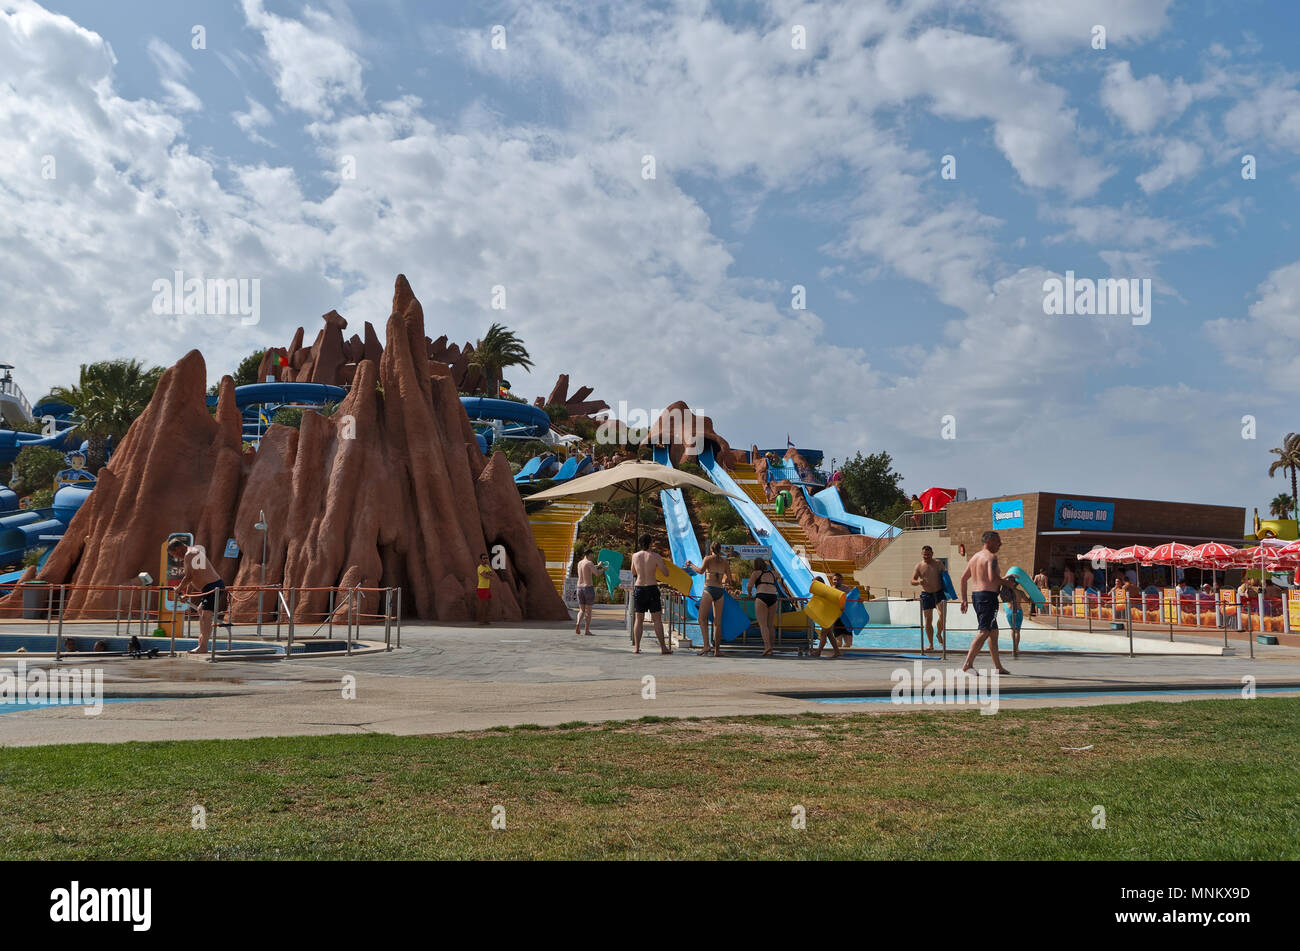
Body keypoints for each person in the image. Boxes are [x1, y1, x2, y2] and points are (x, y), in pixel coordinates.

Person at [959, 531, 1009, 674]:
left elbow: (963, 579)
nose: (1000, 544)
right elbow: (992, 578)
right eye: (998, 541)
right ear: (989, 541)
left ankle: (998, 667)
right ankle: (968, 664)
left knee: (993, 632)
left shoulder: (975, 557)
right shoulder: (991, 557)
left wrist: (964, 599)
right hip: (988, 598)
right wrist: (1007, 583)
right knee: (984, 631)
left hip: (977, 597)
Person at [169, 538, 225, 654]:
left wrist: (178, 589)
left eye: (174, 554)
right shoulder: (192, 553)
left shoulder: (190, 554)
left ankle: (203, 647)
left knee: (206, 616)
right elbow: (194, 576)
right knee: (201, 611)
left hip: (213, 586)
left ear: (178, 548)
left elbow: (189, 577)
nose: (176, 558)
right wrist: (187, 594)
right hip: (210, 586)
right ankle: (202, 644)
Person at [685, 542, 733, 656]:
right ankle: (717, 650)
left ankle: (706, 645)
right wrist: (724, 580)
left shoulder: (708, 558)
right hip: (720, 591)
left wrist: (691, 564)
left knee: (701, 619)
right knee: (718, 623)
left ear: (711, 549)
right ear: (720, 549)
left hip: (709, 590)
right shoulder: (725, 562)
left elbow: (701, 571)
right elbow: (730, 579)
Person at [630, 534, 672, 654]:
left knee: (638, 619)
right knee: (657, 620)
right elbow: (666, 573)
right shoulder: (655, 556)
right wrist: (662, 566)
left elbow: (633, 571)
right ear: (650, 543)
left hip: (639, 587)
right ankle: (663, 648)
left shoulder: (635, 556)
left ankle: (637, 647)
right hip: (652, 588)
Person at [910, 545, 946, 651]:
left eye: (928, 554)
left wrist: (949, 591)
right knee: (928, 620)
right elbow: (912, 581)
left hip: (939, 593)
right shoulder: (919, 566)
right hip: (926, 595)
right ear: (922, 554)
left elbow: (945, 577)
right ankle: (931, 644)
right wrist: (919, 582)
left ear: (932, 554)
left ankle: (939, 634)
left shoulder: (939, 563)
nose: (926, 556)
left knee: (942, 615)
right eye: (925, 554)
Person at [748, 558, 785, 657]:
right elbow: (780, 575)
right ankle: (771, 649)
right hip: (773, 597)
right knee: (770, 625)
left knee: (763, 625)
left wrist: (748, 594)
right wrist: (770, 565)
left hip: (761, 596)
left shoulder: (756, 573)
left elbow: (749, 585)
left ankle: (767, 646)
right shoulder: (772, 573)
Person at [814, 572, 853, 658]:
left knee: (824, 633)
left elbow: (850, 598)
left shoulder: (828, 591)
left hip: (833, 615)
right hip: (829, 616)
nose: (835, 581)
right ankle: (837, 651)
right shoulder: (827, 590)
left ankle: (818, 651)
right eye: (834, 580)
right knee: (829, 634)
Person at [574, 549, 605, 636]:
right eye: (592, 556)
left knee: (581, 610)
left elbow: (587, 568)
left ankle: (578, 624)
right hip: (588, 588)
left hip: (579, 588)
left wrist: (598, 565)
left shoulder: (580, 563)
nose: (592, 557)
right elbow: (597, 573)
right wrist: (603, 569)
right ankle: (587, 630)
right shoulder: (589, 563)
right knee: (588, 611)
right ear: (589, 554)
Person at [1001, 583, 1023, 658]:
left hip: (1010, 611)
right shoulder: (1020, 592)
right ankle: (1016, 648)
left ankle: (1014, 647)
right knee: (1017, 631)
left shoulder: (1007, 592)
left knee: (1012, 630)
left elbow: (1003, 599)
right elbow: (1028, 600)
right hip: (1018, 611)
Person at [475, 552, 495, 625]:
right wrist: (489, 575)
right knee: (482, 605)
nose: (485, 559)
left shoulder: (487, 566)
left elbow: (492, 574)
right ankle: (480, 621)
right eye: (484, 558)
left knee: (488, 604)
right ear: (481, 559)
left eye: (486, 558)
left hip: (487, 588)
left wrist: (489, 574)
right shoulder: (480, 567)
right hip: (482, 588)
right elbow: (485, 576)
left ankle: (485, 620)